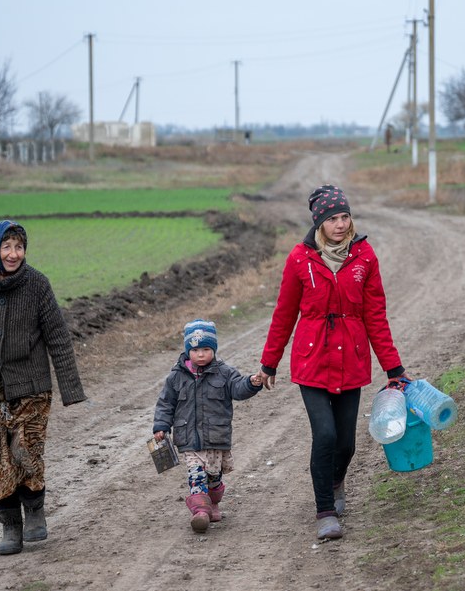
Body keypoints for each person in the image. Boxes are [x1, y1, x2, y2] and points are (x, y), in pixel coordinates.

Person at [257, 184, 410, 540]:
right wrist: (269, 363)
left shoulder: (365, 256)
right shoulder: (299, 258)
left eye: (345, 217)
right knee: (324, 435)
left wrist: (394, 369)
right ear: (319, 223)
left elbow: (376, 316)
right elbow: (284, 314)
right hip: (312, 360)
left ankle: (337, 478)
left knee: (347, 444)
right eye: (332, 219)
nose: (340, 224)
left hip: (352, 360)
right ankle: (324, 510)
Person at [0, 220, 86, 556]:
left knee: (26, 451)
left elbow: (57, 336)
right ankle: (11, 526)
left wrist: (71, 389)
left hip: (31, 388)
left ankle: (35, 510)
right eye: (7, 247)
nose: (13, 254)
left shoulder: (37, 284)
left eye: (19, 247)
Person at [152, 319, 263, 533]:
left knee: (213, 478)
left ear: (213, 349)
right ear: (187, 350)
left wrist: (251, 382)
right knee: (196, 475)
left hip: (216, 436)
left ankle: (213, 503)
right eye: (195, 350)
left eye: (205, 349)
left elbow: (238, 389)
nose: (200, 354)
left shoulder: (224, 372)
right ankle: (200, 513)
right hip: (190, 439)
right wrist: (161, 426)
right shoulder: (176, 376)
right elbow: (166, 403)